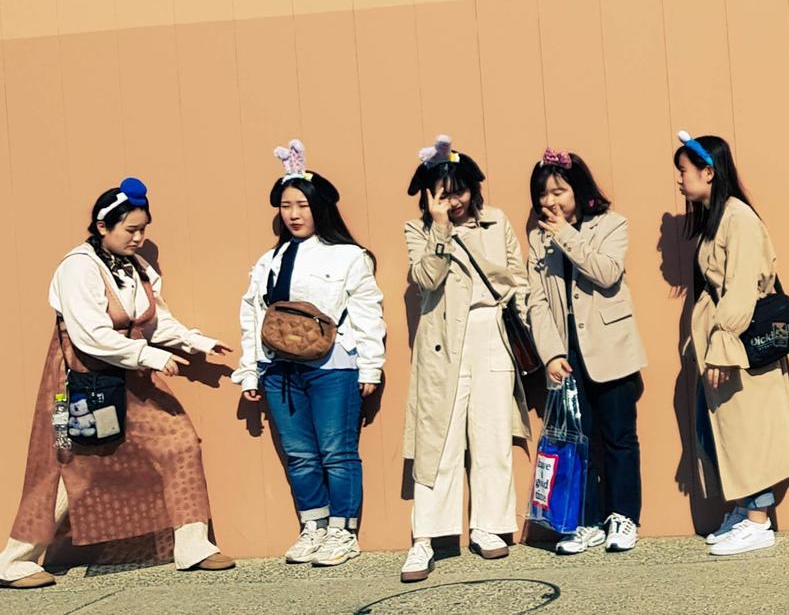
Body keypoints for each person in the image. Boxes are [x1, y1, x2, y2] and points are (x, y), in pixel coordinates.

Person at [1, 178, 235, 589]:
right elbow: (89, 334)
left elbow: (155, 319)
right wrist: (153, 356)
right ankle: (15, 561)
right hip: (73, 380)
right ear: (102, 226)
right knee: (60, 463)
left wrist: (197, 342)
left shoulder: (135, 267)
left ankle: (193, 544)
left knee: (179, 442)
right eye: (131, 230)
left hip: (130, 377)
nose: (139, 237)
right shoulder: (77, 267)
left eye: (143, 229)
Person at [233, 140, 385, 568]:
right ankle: (313, 527)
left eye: (301, 204)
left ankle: (342, 531)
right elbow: (253, 315)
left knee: (337, 450)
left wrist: (369, 365)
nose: (294, 213)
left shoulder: (349, 256)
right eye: (286, 205)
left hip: (332, 366)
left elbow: (367, 312)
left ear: (320, 208)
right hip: (278, 370)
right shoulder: (268, 261)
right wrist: (250, 372)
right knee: (299, 453)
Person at [399, 136, 532, 583]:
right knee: (441, 439)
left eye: (459, 190)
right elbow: (425, 280)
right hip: (443, 343)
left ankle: (489, 527)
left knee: (492, 435)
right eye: (442, 192)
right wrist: (439, 228)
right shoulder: (418, 230)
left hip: (491, 333)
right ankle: (427, 538)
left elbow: (518, 276)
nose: (452, 200)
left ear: (474, 188)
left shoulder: (496, 221)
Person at [674, 132, 789, 557]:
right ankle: (742, 509)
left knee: (749, 430)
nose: (679, 181)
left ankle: (758, 519)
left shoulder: (740, 220)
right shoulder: (718, 220)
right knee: (720, 430)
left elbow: (741, 290)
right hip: (720, 342)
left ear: (709, 172)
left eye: (683, 171)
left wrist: (722, 344)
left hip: (737, 346)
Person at [524, 148, 647, 555]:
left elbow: (607, 273)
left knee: (619, 439)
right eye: (543, 194)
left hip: (610, 351)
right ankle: (589, 521)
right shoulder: (537, 239)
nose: (549, 201)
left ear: (579, 190)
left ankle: (623, 517)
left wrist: (564, 234)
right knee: (581, 441)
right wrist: (551, 353)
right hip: (568, 354)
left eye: (558, 191)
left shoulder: (612, 225)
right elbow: (536, 302)